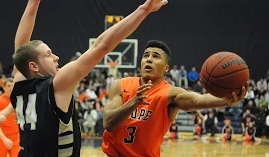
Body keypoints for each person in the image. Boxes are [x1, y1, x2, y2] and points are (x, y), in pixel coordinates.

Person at [0, 0, 173, 156]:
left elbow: (21, 47)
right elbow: (102, 45)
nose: (56, 57)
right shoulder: (57, 85)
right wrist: (145, 9)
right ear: (34, 66)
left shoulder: (20, 80)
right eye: (48, 55)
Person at [102, 40, 248, 156]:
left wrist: (226, 100)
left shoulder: (170, 94)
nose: (149, 59)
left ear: (166, 68)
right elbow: (108, 123)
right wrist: (134, 102)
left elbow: (197, 100)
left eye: (156, 56)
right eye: (146, 55)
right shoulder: (120, 85)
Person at [0, 78, 20, 157]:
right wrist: (3, 138)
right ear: (4, 88)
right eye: (9, 86)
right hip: (2, 136)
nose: (11, 88)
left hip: (16, 135)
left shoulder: (19, 99)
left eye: (13, 85)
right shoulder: (0, 101)